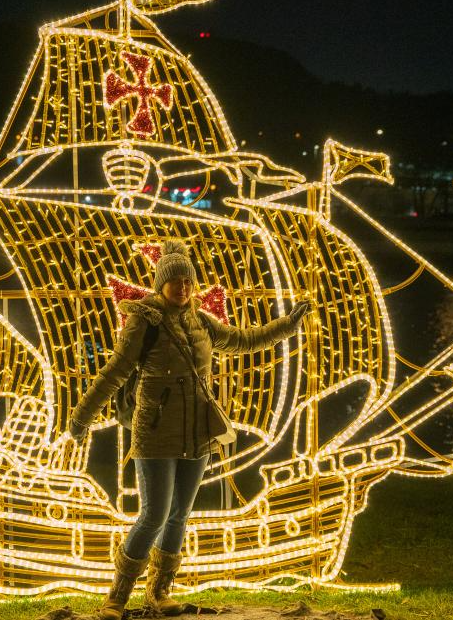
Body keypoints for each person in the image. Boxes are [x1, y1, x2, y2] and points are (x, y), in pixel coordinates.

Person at [69, 239, 310, 619]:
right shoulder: (144, 321)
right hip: (155, 432)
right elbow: (115, 371)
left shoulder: (201, 322)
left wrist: (287, 326)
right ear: (160, 283)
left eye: (187, 281)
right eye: (175, 281)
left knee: (179, 514)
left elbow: (244, 340)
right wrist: (82, 416)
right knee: (154, 514)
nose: (183, 287)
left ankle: (159, 592)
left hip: (198, 431)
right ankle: (116, 597)